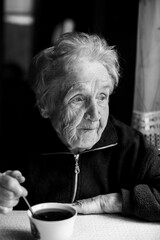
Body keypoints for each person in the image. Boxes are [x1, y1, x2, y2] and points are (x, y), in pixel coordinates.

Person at [0, 32, 160, 222]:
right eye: (78, 98)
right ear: (45, 105)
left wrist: (118, 202)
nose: (95, 114)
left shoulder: (131, 146)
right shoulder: (15, 142)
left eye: (102, 96)